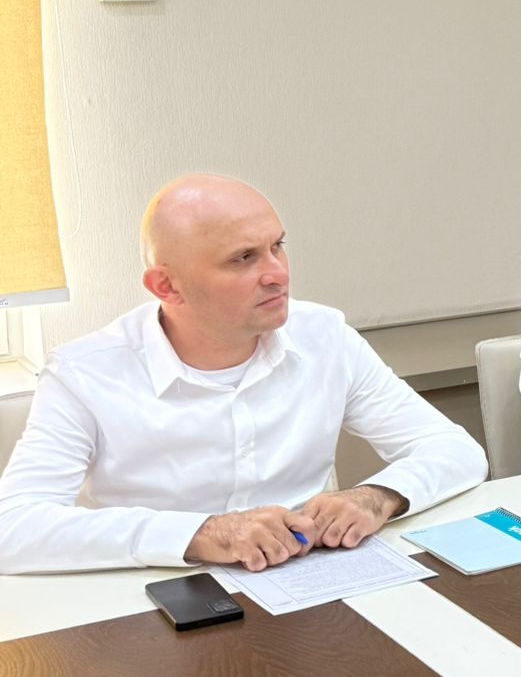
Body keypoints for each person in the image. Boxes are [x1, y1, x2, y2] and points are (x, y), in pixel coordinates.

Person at [0, 174, 487, 576]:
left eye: (278, 246)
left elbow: (455, 450)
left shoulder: (324, 336)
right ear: (167, 286)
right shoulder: (85, 372)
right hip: (153, 596)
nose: (278, 274)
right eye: (244, 258)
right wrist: (203, 533)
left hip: (311, 583)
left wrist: (376, 497)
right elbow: (13, 527)